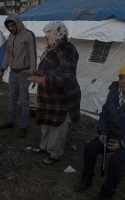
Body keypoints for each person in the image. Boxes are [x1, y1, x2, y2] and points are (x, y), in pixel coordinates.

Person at [74, 64, 125, 199]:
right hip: (114, 132)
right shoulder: (115, 90)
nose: (123, 81)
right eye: (121, 77)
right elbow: (105, 113)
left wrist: (123, 143)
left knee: (116, 161)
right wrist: (103, 131)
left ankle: (107, 192)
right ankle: (87, 178)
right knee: (90, 149)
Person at [24, 21, 81, 164]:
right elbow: (49, 69)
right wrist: (35, 72)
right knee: (46, 123)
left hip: (60, 96)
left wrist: (41, 80)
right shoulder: (53, 48)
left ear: (56, 33)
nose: (46, 37)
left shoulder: (67, 50)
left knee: (57, 126)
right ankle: (44, 147)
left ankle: (54, 153)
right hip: (47, 96)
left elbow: (67, 77)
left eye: (48, 34)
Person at [0, 13, 37, 138]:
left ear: (18, 23)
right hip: (13, 72)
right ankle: (10, 121)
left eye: (12, 24)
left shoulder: (28, 35)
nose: (10, 27)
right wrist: (2, 69)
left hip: (24, 72)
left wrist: (32, 71)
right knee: (12, 98)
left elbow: (32, 55)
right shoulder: (10, 37)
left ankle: (24, 126)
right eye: (8, 25)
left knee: (24, 100)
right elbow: (8, 55)